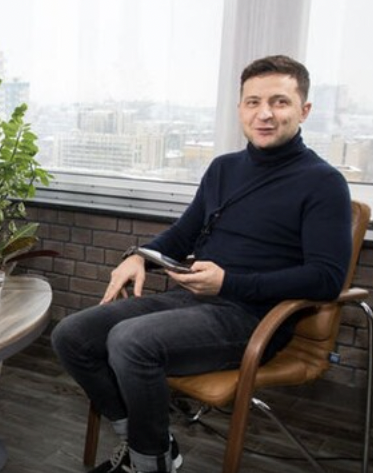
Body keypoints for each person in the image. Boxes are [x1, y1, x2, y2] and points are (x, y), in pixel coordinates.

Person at [51, 55, 353, 473]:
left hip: (254, 319)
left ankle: (149, 465)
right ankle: (150, 446)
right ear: (240, 109)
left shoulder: (324, 183)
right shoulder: (224, 169)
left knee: (130, 342)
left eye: (279, 102)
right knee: (72, 335)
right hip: (193, 300)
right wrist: (139, 256)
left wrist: (229, 283)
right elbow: (182, 235)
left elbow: (326, 279)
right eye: (253, 102)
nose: (265, 113)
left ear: (304, 110)